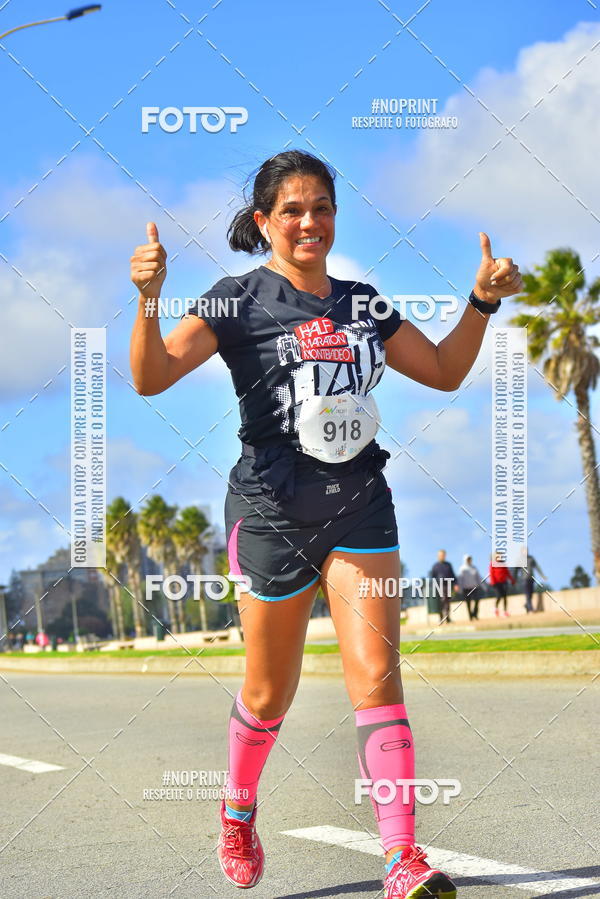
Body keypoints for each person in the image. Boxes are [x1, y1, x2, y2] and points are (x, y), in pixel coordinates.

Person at [130, 149, 523, 898]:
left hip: (359, 505)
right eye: (293, 210)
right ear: (264, 222)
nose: (310, 222)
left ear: (335, 217)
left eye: (322, 208)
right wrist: (148, 299)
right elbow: (151, 378)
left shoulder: (364, 303)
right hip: (272, 513)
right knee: (270, 689)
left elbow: (440, 369)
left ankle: (401, 857)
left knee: (376, 675)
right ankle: (239, 810)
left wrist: (480, 302)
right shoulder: (233, 300)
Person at [429, 549, 459, 624]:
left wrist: (455, 584)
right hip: (439, 586)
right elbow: (432, 577)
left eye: (443, 555)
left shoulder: (448, 565)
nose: (442, 556)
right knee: (441, 602)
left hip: (448, 585)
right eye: (440, 555)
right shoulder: (435, 566)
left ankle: (448, 618)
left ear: (445, 556)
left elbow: (453, 575)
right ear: (438, 556)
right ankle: (441, 618)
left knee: (447, 602)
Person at [488, 552, 516, 617]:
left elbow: (507, 572)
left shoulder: (503, 563)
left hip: (504, 582)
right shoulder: (492, 564)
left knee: (505, 597)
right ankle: (496, 608)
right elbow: (491, 573)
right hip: (496, 583)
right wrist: (493, 582)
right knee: (499, 596)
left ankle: (505, 611)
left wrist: (512, 580)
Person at [457, 554, 482, 620]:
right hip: (466, 589)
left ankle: (475, 614)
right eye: (468, 559)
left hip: (474, 587)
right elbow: (460, 579)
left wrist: (481, 585)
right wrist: (460, 589)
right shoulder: (462, 568)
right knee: (468, 603)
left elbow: (478, 577)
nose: (469, 560)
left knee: (477, 600)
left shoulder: (474, 568)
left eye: (470, 559)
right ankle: (470, 616)